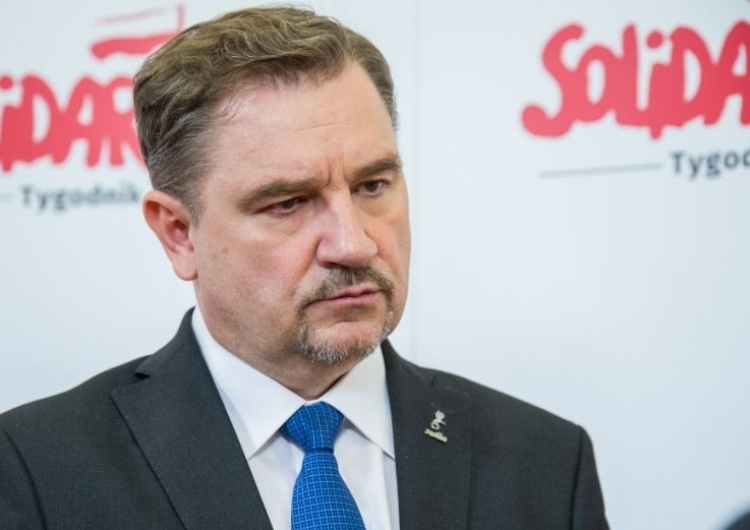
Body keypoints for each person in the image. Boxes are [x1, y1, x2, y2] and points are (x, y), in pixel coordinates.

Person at [0, 6, 609, 530]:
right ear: (179, 233)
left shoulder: (546, 463)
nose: (354, 244)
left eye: (372, 186)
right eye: (288, 203)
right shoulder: (37, 471)